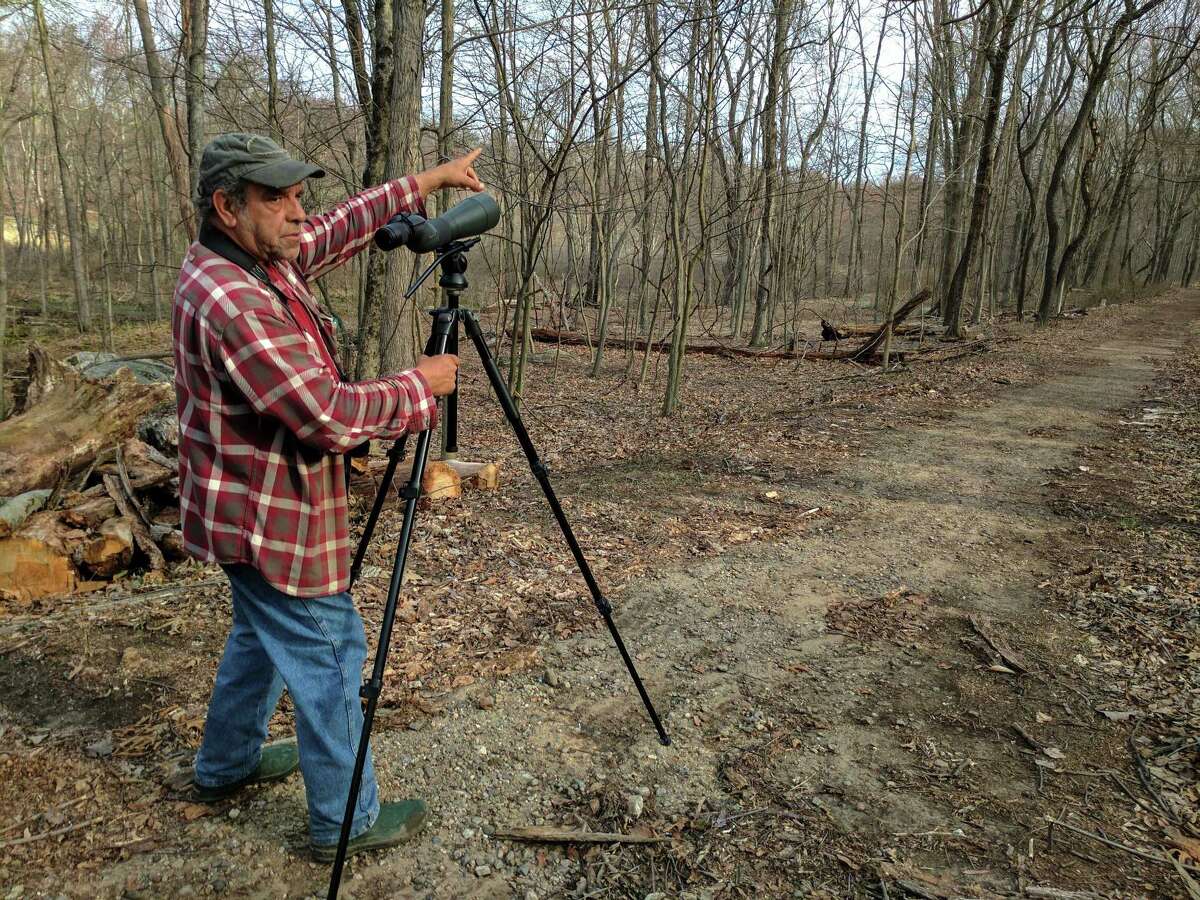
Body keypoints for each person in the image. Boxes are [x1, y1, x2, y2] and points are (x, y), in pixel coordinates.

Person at [172, 132, 482, 861]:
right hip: (268, 517)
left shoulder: (253, 260)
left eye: (297, 195)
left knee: (260, 636)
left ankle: (225, 765)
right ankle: (347, 823)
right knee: (331, 651)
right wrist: (420, 386)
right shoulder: (233, 299)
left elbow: (336, 230)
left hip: (244, 511)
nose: (297, 212)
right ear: (226, 206)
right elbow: (327, 414)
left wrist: (427, 181)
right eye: (275, 198)